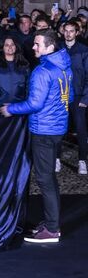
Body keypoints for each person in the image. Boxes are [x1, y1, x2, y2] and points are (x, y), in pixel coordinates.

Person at [0, 29, 73, 243]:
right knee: (48, 177)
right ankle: (51, 222)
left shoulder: (43, 71)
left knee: (45, 179)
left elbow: (34, 104)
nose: (33, 47)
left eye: (37, 44)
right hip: (58, 128)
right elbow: (70, 95)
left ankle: (51, 229)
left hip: (44, 130)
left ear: (50, 47)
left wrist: (10, 109)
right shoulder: (64, 66)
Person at [56, 21, 88, 174]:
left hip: (78, 95)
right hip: (60, 95)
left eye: (71, 31)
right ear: (63, 32)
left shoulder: (84, 50)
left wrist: (85, 99)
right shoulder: (57, 49)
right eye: (66, 31)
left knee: (81, 128)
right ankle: (56, 158)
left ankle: (82, 160)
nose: (68, 33)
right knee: (58, 127)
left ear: (77, 32)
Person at [0, 37, 29, 106]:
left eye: (12, 44)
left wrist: (26, 106)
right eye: (6, 45)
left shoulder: (24, 65)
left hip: (19, 108)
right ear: (2, 48)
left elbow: (28, 87)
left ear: (16, 47)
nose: (10, 47)